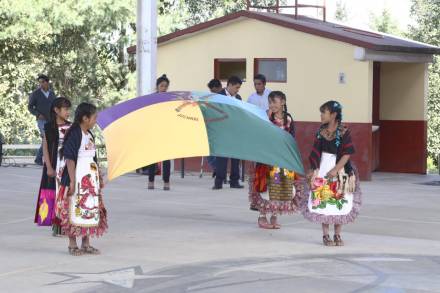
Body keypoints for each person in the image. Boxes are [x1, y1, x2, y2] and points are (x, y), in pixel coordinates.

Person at [300, 101, 362, 246]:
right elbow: (315, 152)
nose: (321, 115)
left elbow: (347, 153)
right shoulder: (321, 132)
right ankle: (326, 235)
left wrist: (335, 169)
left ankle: (338, 234)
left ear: (333, 115)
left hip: (340, 170)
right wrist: (315, 169)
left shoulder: (344, 131)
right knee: (324, 200)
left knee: (340, 200)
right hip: (323, 169)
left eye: (324, 112)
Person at [248, 91, 304, 229]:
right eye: (270, 102)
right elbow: (261, 135)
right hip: (267, 159)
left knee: (280, 188)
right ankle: (262, 217)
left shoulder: (288, 119)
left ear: (283, 102)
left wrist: (290, 157)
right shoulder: (266, 117)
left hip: (282, 160)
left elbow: (291, 139)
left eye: (275, 102)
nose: (272, 105)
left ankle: (274, 215)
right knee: (266, 188)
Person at [59, 103, 107, 256]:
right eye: (94, 118)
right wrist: (72, 181)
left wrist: (98, 174)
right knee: (74, 209)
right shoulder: (74, 133)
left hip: (90, 180)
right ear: (85, 118)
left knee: (90, 210)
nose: (95, 121)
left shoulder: (89, 134)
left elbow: (93, 157)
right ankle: (72, 244)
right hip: (77, 179)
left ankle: (86, 243)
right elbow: (70, 159)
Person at [34, 97, 72, 237]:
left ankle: (65, 224)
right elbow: (45, 147)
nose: (68, 112)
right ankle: (56, 225)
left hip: (67, 166)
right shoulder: (49, 127)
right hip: (54, 164)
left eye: (69, 109)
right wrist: (49, 167)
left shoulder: (71, 126)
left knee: (65, 194)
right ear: (56, 110)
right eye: (66, 109)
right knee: (54, 193)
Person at [213, 76, 244, 190]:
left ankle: (234, 181)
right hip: (222, 131)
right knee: (221, 158)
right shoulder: (218, 96)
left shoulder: (239, 98)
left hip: (235, 131)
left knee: (236, 158)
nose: (237, 90)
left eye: (239, 88)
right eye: (236, 87)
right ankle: (219, 181)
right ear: (229, 85)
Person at [147, 74, 172, 190]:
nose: (164, 88)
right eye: (162, 86)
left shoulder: (170, 99)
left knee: (166, 158)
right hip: (154, 132)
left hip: (166, 132)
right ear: (157, 87)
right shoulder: (151, 99)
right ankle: (151, 180)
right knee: (152, 158)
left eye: (166, 86)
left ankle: (166, 182)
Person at [28, 74, 57, 165]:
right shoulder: (35, 94)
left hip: (52, 120)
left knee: (50, 139)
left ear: (47, 82)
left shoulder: (52, 94)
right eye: (39, 82)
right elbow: (30, 107)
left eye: (43, 82)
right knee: (46, 137)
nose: (41, 84)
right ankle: (39, 158)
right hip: (41, 120)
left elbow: (55, 106)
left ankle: (40, 158)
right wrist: (37, 114)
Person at [206, 79, 223, 177]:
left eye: (213, 91)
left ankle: (219, 169)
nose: (212, 93)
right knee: (208, 150)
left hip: (222, 129)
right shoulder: (210, 98)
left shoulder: (224, 97)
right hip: (212, 127)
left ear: (219, 88)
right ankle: (216, 168)